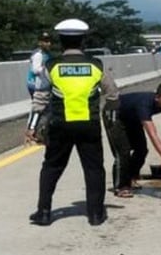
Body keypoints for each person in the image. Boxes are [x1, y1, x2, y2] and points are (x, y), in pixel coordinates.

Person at [25, 18, 120, 227]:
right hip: (89, 125)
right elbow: (112, 94)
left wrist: (32, 127)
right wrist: (107, 115)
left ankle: (43, 212)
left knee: (52, 167)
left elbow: (40, 98)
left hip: (60, 125)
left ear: (61, 41)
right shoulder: (96, 65)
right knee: (94, 169)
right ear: (83, 41)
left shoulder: (52, 66)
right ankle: (95, 214)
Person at [104, 82, 161, 197]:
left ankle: (131, 178)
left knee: (141, 150)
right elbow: (152, 134)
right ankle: (120, 186)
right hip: (114, 114)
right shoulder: (144, 104)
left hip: (133, 118)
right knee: (123, 152)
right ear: (157, 98)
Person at [26, 31, 52, 98]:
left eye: (49, 41)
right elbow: (35, 70)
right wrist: (47, 69)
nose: (49, 43)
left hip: (42, 85)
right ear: (39, 43)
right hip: (35, 85)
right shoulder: (38, 54)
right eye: (46, 41)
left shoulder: (47, 53)